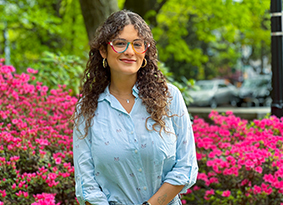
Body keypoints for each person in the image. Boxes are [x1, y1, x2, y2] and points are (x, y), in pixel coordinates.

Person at [72, 10, 198, 205]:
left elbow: (186, 167)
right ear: (104, 51)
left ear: (145, 51)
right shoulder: (87, 109)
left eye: (137, 44)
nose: (129, 52)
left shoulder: (170, 98)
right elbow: (86, 185)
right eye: (120, 43)